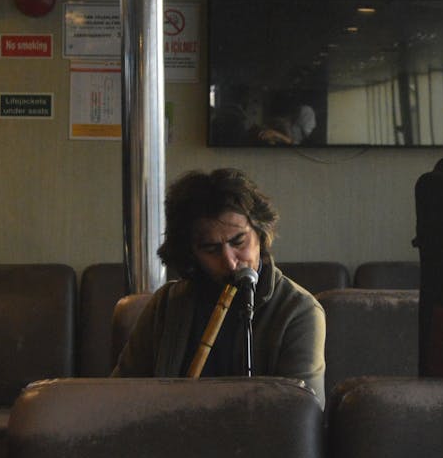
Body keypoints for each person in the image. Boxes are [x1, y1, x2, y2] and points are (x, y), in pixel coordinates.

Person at [112, 168, 326, 407]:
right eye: (211, 249)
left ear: (261, 234)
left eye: (239, 242)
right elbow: (122, 397)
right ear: (191, 253)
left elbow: (302, 417)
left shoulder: (299, 311)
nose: (230, 261)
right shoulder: (165, 305)